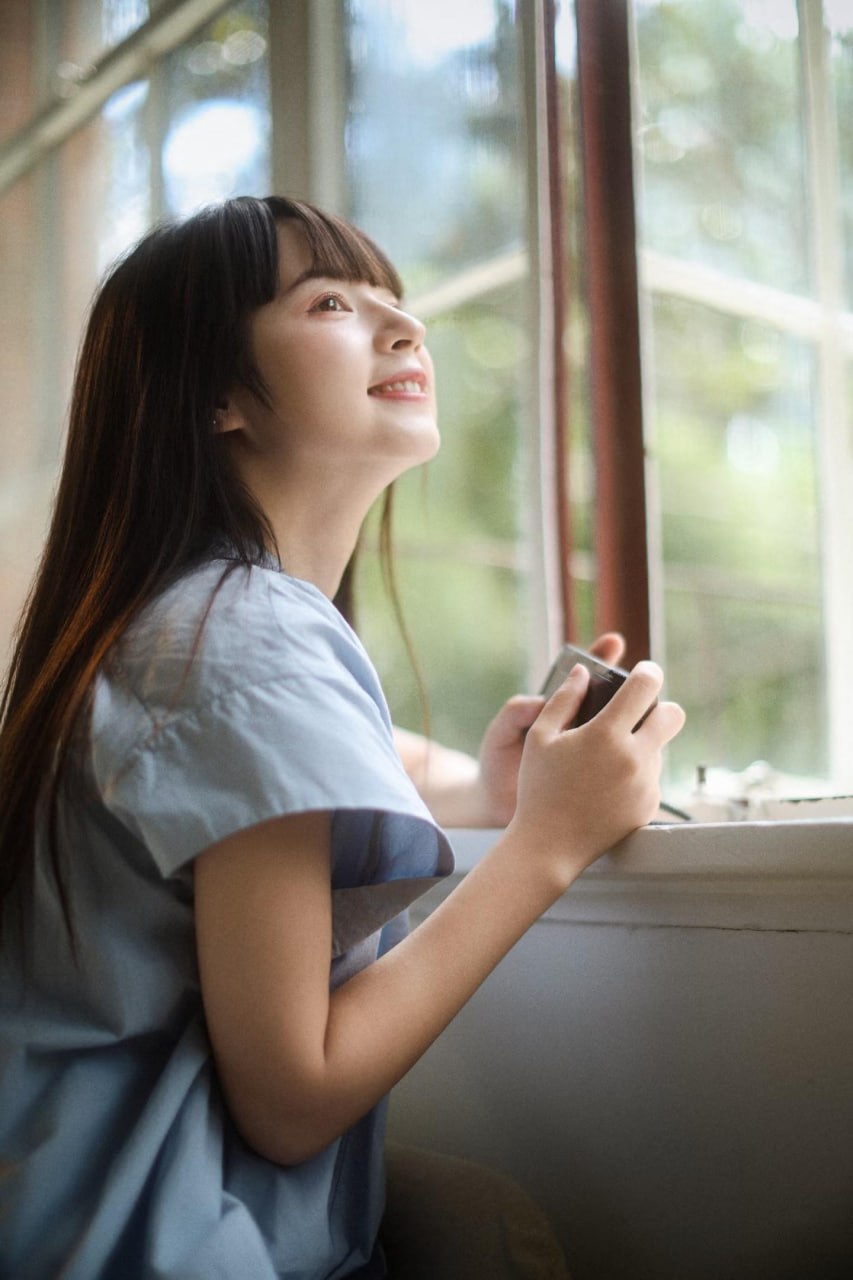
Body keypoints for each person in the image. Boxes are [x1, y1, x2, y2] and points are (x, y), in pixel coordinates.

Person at [0, 195, 685, 1279]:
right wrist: (545, 842)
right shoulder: (244, 634)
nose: (404, 328)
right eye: (329, 301)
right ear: (219, 394)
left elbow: (246, 789)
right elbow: (293, 1094)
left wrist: (478, 791)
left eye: (396, 304)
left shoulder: (190, 619)